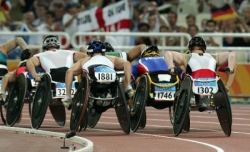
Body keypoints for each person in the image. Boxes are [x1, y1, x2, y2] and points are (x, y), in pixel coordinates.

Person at [62, 40, 134, 115]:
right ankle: (128, 86)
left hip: (93, 80)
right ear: (104, 53)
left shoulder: (84, 60)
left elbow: (69, 72)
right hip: (110, 80)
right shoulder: (111, 58)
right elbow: (127, 64)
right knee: (126, 64)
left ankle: (67, 97)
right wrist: (127, 83)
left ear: (89, 53)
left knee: (70, 72)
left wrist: (68, 95)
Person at [164, 36, 237, 93]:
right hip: (212, 84)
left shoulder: (185, 57)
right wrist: (230, 68)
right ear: (205, 49)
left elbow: (167, 53)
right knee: (233, 65)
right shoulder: (214, 57)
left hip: (192, 86)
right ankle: (227, 87)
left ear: (189, 50)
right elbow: (232, 55)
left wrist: (171, 67)